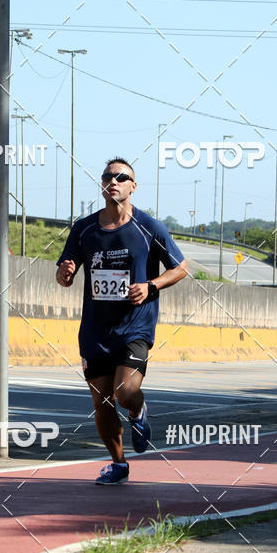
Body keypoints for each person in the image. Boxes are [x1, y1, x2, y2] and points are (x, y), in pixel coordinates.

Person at [56, 157, 188, 485]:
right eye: (107, 177)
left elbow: (181, 268)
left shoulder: (149, 227)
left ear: (133, 186)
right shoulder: (84, 229)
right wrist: (65, 274)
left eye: (121, 177)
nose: (112, 181)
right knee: (102, 403)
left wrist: (150, 286)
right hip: (95, 332)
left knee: (125, 392)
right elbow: (64, 274)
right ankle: (118, 464)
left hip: (135, 327)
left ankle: (138, 411)